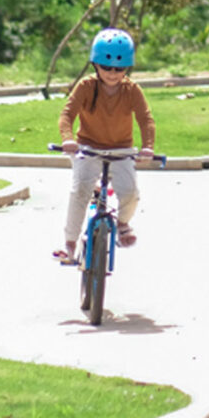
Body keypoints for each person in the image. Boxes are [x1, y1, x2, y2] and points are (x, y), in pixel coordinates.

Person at [54, 28, 155, 265]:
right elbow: (67, 115)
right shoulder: (86, 87)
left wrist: (147, 147)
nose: (112, 73)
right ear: (95, 64)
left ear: (127, 68)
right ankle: (70, 244)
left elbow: (145, 119)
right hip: (87, 149)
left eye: (119, 68)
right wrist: (68, 139)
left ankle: (122, 224)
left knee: (130, 192)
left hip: (122, 151)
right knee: (80, 191)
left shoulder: (132, 90)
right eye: (106, 67)